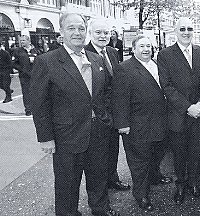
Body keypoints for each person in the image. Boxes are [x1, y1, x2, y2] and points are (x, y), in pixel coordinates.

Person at [30, 13, 120, 216]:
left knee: (98, 177)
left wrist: (106, 118)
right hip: (66, 137)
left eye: (81, 28)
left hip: (98, 131)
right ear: (61, 32)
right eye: (71, 28)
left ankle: (101, 209)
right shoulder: (47, 61)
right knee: (67, 184)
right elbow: (39, 104)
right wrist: (46, 138)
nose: (77, 33)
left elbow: (105, 91)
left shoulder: (96, 58)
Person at [157, 17, 200, 204]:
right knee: (179, 154)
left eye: (189, 28)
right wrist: (188, 107)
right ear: (175, 31)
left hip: (198, 114)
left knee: (196, 152)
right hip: (178, 115)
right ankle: (180, 185)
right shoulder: (165, 55)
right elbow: (167, 86)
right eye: (182, 28)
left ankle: (194, 183)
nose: (186, 32)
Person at [112, 35, 170, 211]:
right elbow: (119, 98)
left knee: (156, 154)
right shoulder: (124, 69)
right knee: (139, 163)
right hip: (138, 125)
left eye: (149, 46)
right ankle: (142, 195)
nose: (146, 49)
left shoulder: (157, 65)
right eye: (142, 46)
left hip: (160, 122)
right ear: (134, 49)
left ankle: (155, 176)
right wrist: (122, 124)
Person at [84, 19, 131, 192]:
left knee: (113, 149)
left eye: (106, 32)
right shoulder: (84, 53)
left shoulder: (112, 51)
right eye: (98, 32)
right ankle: (101, 187)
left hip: (115, 112)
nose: (103, 36)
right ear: (91, 33)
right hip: (98, 115)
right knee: (99, 155)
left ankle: (113, 178)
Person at [12, 35, 41, 116]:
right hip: (24, 76)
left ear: (29, 41)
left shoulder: (35, 50)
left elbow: (42, 62)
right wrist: (22, 69)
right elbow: (13, 63)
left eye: (23, 40)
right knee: (26, 93)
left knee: (37, 92)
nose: (22, 42)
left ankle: (37, 108)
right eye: (21, 41)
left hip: (36, 75)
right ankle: (28, 109)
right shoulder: (18, 51)